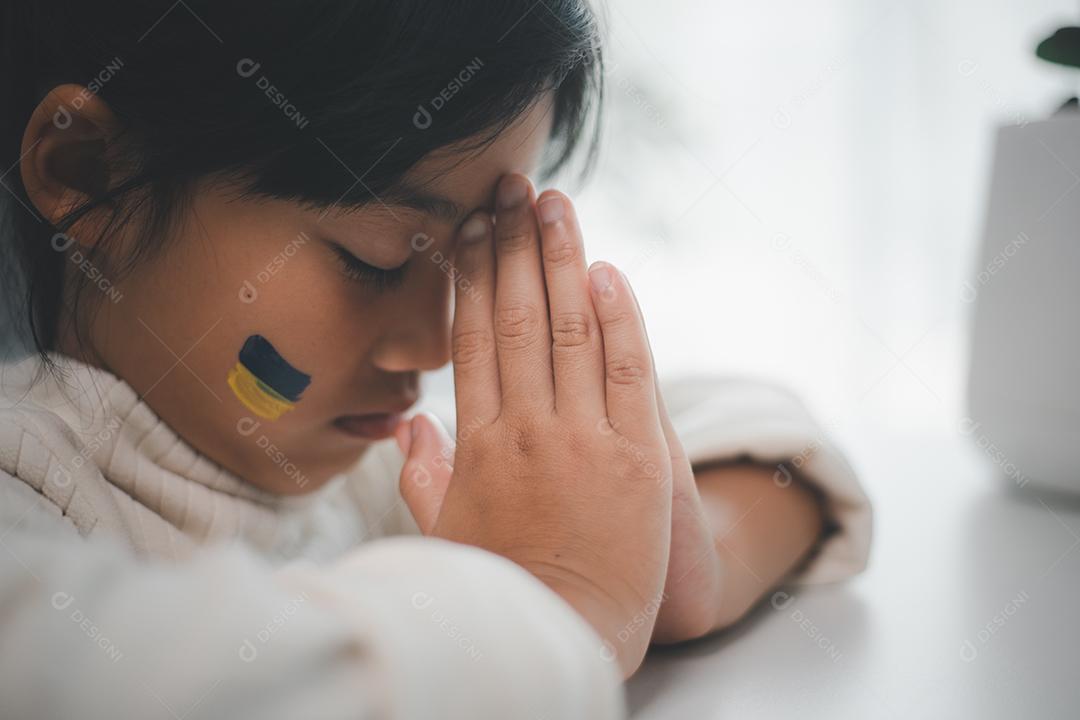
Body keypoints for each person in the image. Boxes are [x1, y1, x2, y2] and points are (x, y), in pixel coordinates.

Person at [0, 2, 871, 718]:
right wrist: (561, 596)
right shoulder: (27, 489)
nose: (429, 347)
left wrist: (691, 564)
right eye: (373, 259)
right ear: (89, 171)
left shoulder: (375, 471)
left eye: (464, 266)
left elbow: (763, 423)